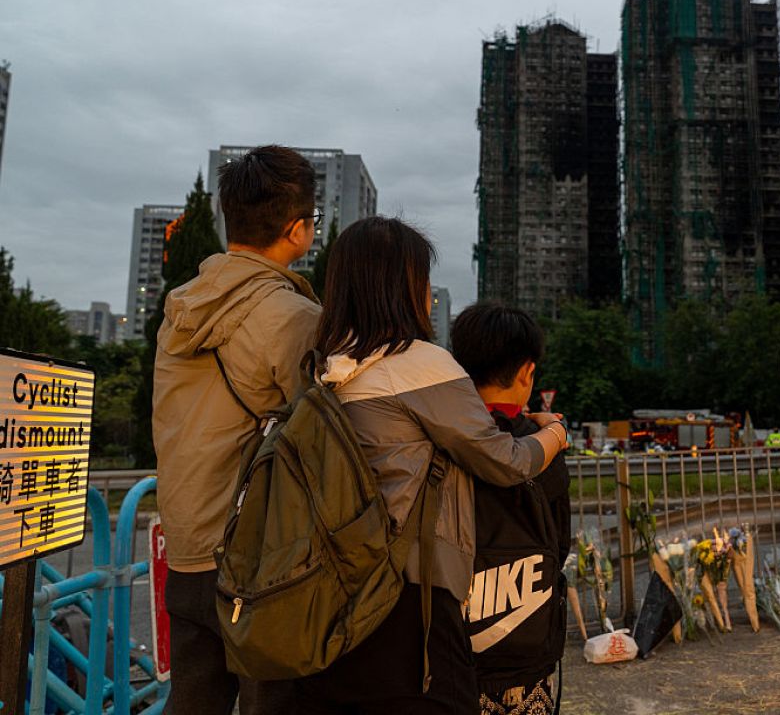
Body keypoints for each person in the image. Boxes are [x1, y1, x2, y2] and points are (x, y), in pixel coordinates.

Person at [298, 217, 569, 715]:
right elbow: (505, 461)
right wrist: (555, 433)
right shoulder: (420, 363)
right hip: (410, 597)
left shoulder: (322, 367)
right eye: (421, 280)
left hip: (333, 591)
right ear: (403, 288)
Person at [153, 145, 322, 715]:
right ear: (298, 230)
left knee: (193, 702)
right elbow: (320, 433)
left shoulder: (180, 307)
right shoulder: (293, 318)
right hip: (256, 561)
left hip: (185, 550)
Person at [450, 303, 571, 715]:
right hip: (527, 650)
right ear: (526, 373)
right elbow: (561, 542)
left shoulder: (442, 440)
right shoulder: (545, 446)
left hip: (455, 654)